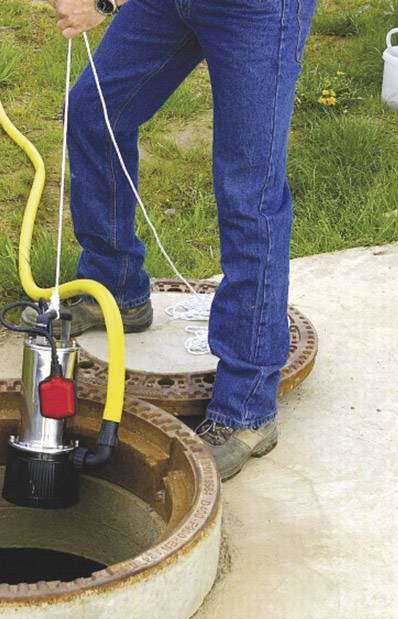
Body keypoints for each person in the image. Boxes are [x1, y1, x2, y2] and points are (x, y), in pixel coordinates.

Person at [53, 0, 317, 480]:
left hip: (257, 12)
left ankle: (247, 409)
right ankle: (116, 288)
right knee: (94, 115)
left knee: (248, 191)